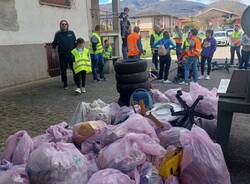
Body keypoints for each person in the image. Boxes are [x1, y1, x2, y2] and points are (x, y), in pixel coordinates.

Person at [52, 20, 77, 89]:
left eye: (65, 24)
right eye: (62, 24)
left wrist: (78, 52)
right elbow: (54, 45)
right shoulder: (58, 34)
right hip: (62, 55)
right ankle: (65, 83)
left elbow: (75, 43)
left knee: (74, 68)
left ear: (67, 25)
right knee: (63, 70)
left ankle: (76, 80)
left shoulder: (71, 33)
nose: (64, 25)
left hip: (72, 55)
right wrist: (53, 53)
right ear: (60, 25)